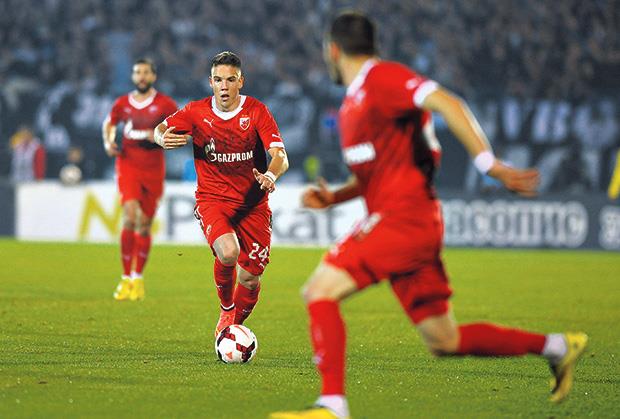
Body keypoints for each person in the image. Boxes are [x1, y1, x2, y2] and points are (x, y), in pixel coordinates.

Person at [270, 11, 587, 419]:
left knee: (319, 291)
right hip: (410, 222)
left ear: (332, 50)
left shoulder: (381, 78)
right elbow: (375, 172)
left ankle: (332, 405)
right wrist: (337, 196)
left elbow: (448, 102)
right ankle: (558, 347)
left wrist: (488, 164)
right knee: (444, 340)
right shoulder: (355, 102)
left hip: (403, 218)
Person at [153, 51, 289, 337]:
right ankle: (227, 310)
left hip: (253, 204)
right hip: (213, 199)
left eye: (230, 80)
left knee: (250, 278)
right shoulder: (196, 112)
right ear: (210, 82)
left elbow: (280, 155)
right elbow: (160, 128)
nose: (224, 86)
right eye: (218, 80)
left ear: (241, 81)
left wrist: (270, 175)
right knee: (228, 252)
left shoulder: (257, 111)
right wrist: (161, 138)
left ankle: (234, 328)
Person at [102, 58, 178, 301]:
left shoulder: (165, 104)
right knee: (129, 217)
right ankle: (125, 278)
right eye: (137, 72)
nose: (141, 76)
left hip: (154, 169)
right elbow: (109, 124)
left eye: (146, 72)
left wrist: (158, 136)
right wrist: (109, 142)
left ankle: (137, 278)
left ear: (153, 76)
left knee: (144, 224)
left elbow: (181, 129)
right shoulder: (123, 103)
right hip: (128, 165)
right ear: (133, 77)